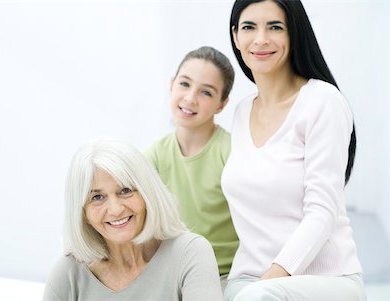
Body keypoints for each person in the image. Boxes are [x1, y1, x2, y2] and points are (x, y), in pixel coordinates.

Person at [221, 1, 366, 300]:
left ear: (293, 34)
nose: (260, 38)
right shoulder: (241, 111)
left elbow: (322, 211)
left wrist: (266, 283)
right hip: (250, 280)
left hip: (325, 280)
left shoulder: (322, 101)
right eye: (249, 27)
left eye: (275, 27)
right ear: (236, 36)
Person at [42, 139, 223, 301]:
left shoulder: (190, 253)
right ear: (83, 213)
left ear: (147, 194)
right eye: (97, 198)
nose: (115, 209)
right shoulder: (69, 272)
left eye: (126, 190)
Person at [144, 46, 239, 287]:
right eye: (184, 84)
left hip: (225, 275)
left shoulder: (231, 152)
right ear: (171, 84)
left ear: (221, 104)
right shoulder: (154, 154)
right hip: (174, 274)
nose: (190, 98)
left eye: (206, 92)